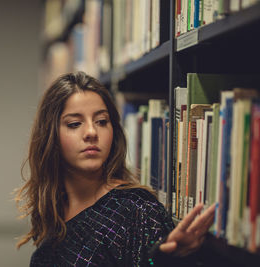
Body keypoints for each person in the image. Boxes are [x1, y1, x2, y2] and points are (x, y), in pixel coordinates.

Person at [15, 71, 216, 266]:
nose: (92, 132)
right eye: (75, 124)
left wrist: (167, 259)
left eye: (102, 121)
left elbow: (155, 259)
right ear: (51, 136)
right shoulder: (53, 208)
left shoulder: (137, 209)